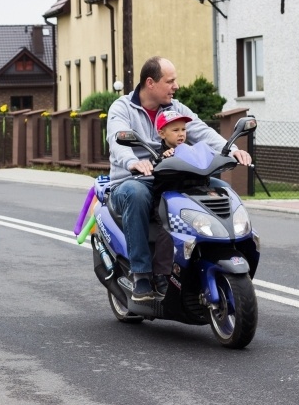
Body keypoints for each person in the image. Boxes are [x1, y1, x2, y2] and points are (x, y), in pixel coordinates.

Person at [106, 56, 252, 301]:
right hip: (133, 181)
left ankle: (215, 252)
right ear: (150, 83)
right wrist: (133, 162)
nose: (176, 86)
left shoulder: (176, 109)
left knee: (220, 188)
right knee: (137, 194)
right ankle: (141, 274)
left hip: (173, 178)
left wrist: (230, 149)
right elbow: (116, 139)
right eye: (170, 81)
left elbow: (202, 132)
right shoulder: (122, 108)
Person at [148, 109, 194, 297]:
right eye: (175, 130)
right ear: (162, 133)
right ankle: (161, 274)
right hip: (165, 202)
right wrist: (163, 159)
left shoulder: (191, 150)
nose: (181, 133)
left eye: (183, 129)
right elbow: (154, 167)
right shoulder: (160, 153)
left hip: (189, 201)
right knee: (169, 228)